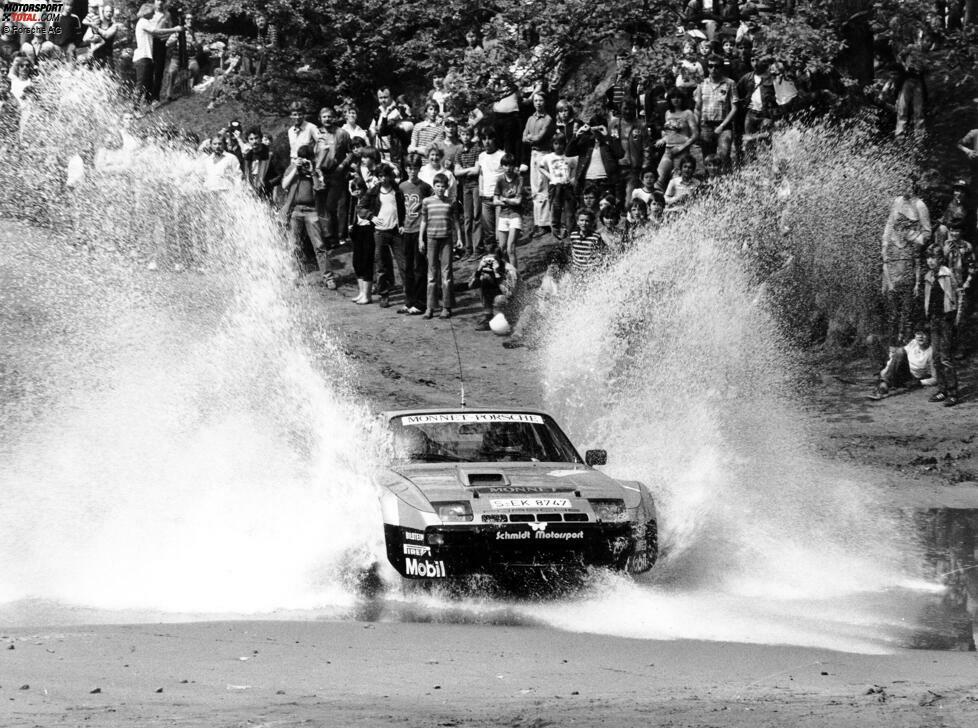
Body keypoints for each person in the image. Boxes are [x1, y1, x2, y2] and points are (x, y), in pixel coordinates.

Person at [280, 143, 338, 289]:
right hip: (295, 210)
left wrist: (312, 173)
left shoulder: (316, 171)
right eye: (301, 159)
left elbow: (320, 188)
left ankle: (328, 277)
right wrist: (295, 168)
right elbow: (284, 185)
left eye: (307, 159)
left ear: (311, 159)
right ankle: (293, 275)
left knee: (319, 245)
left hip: (312, 210)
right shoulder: (292, 168)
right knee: (293, 245)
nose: (304, 162)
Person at [882, 176, 931, 346]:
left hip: (911, 253)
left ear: (913, 186)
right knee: (892, 302)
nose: (904, 188)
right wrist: (885, 243)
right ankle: (892, 345)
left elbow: (927, 232)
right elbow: (890, 223)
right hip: (895, 252)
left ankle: (909, 344)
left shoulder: (920, 205)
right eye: (901, 184)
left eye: (907, 185)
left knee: (909, 306)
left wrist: (912, 239)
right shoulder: (897, 202)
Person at [358, 163, 405, 308]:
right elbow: (360, 208)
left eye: (385, 175)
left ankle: (410, 293)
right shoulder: (374, 191)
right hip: (380, 232)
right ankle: (384, 294)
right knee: (381, 265)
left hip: (396, 231)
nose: (383, 179)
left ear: (390, 176)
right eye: (380, 176)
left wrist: (403, 223)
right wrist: (371, 216)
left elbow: (404, 207)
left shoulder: (398, 190)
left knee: (403, 263)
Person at [921, 246, 959, 406]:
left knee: (945, 358)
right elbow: (927, 299)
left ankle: (953, 392)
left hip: (946, 320)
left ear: (940, 259)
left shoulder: (947, 274)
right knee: (936, 356)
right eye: (928, 258)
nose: (930, 261)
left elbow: (956, 294)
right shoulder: (928, 276)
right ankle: (942, 390)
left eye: (934, 258)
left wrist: (955, 316)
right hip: (934, 319)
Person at [396, 154, 431, 315]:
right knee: (407, 267)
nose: (412, 171)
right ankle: (409, 301)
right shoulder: (401, 186)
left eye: (415, 167)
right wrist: (401, 224)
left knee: (419, 267)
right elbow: (399, 208)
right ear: (405, 168)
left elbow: (430, 206)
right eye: (409, 167)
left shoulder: (425, 187)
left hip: (419, 231)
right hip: (407, 231)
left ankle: (420, 302)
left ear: (419, 168)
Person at [420, 173, 457, 318]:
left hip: (446, 240)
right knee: (431, 274)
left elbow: (455, 221)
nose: (440, 189)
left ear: (447, 187)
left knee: (446, 273)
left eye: (443, 186)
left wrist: (459, 238)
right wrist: (420, 239)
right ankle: (430, 307)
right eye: (438, 186)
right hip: (431, 239)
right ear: (434, 187)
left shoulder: (450, 201)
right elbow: (423, 221)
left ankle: (446, 306)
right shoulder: (427, 202)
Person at [315, 105, 353, 248]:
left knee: (334, 206)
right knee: (322, 207)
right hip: (320, 174)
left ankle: (337, 237)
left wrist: (343, 165)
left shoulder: (342, 133)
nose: (327, 119)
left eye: (330, 116)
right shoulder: (317, 133)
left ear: (334, 118)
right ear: (320, 119)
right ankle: (326, 237)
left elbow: (351, 152)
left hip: (337, 173)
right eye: (324, 117)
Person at [694, 53, 738, 169]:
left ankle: (726, 181)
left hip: (724, 125)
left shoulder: (730, 83)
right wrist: (696, 127)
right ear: (707, 68)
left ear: (721, 67)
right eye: (711, 66)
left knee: (724, 155)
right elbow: (698, 108)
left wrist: (722, 126)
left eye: (717, 66)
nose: (714, 69)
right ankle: (710, 183)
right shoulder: (702, 84)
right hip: (706, 125)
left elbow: (734, 108)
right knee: (708, 159)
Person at [567, 114, 624, 201]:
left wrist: (607, 137)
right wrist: (577, 135)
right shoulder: (586, 141)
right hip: (588, 181)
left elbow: (620, 154)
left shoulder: (608, 141)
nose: (597, 132)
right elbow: (568, 152)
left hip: (605, 182)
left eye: (599, 129)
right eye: (595, 130)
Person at [133, 3, 181, 106]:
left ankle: (146, 104)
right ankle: (133, 109)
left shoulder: (145, 22)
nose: (154, 15)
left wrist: (173, 33)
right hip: (142, 57)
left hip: (147, 57)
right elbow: (157, 31)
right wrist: (174, 29)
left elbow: (158, 34)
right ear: (146, 12)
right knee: (140, 85)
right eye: (152, 13)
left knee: (147, 83)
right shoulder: (143, 22)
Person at [523, 90, 555, 238]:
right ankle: (538, 222)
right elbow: (524, 137)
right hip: (533, 154)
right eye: (536, 101)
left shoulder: (548, 119)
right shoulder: (530, 119)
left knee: (543, 187)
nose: (538, 103)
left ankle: (545, 223)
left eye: (540, 100)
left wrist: (531, 137)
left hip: (544, 153)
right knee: (535, 188)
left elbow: (540, 138)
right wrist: (531, 137)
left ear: (545, 102)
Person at [655, 88, 698, 192]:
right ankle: (658, 204)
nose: (676, 99)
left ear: (683, 99)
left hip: (682, 152)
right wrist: (663, 140)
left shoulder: (688, 113)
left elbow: (695, 135)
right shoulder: (668, 113)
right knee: (658, 180)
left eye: (678, 97)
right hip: (668, 151)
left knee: (678, 181)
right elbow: (669, 133)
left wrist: (680, 148)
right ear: (669, 100)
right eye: (673, 97)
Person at [873, 329, 937, 398]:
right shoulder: (913, 343)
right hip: (901, 372)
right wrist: (886, 369)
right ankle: (884, 381)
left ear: (929, 336)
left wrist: (920, 382)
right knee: (872, 340)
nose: (920, 336)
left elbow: (935, 379)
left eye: (924, 334)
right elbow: (898, 356)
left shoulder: (931, 352)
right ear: (915, 335)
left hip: (912, 378)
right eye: (918, 333)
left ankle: (883, 387)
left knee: (900, 351)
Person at [471, 247, 519, 331]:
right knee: (484, 281)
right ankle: (488, 318)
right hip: (504, 293)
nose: (490, 262)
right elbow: (471, 286)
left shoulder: (510, 270)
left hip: (517, 301)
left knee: (499, 299)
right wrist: (478, 271)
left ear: (500, 259)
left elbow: (510, 293)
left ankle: (510, 320)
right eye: (488, 259)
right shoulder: (485, 267)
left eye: (493, 259)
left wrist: (497, 274)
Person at [539, 133, 577, 240]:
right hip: (555, 186)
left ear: (564, 144)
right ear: (552, 144)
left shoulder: (569, 157)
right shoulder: (548, 157)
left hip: (566, 185)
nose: (558, 146)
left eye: (561, 144)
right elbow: (540, 167)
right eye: (556, 143)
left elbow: (575, 168)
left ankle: (568, 230)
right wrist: (549, 176)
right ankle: (556, 230)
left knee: (569, 209)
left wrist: (572, 178)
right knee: (555, 208)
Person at [454, 124, 483, 258]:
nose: (465, 137)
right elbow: (456, 172)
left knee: (476, 215)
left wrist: (463, 171)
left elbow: (477, 170)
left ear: (471, 136)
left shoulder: (476, 149)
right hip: (465, 186)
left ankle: (477, 248)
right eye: (463, 134)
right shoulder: (459, 151)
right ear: (460, 136)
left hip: (476, 184)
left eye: (468, 135)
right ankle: (468, 248)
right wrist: (467, 170)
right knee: (467, 217)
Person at [494, 153, 524, 270]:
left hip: (515, 215)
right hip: (503, 215)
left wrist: (505, 199)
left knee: (511, 247)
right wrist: (507, 200)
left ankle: (515, 276)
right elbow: (495, 200)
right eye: (505, 165)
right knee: (502, 248)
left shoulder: (519, 179)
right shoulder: (500, 179)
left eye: (510, 165)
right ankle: (507, 272)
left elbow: (518, 201)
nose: (508, 168)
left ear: (514, 166)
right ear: (502, 166)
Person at [348, 175, 375, 304]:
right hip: (358, 230)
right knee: (357, 262)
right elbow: (350, 215)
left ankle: (367, 294)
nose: (357, 191)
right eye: (355, 189)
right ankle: (361, 292)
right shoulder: (353, 201)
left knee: (367, 261)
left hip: (368, 229)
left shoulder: (369, 200)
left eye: (359, 188)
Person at [477, 131, 504, 253]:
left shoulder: (501, 155)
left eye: (489, 138)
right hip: (486, 198)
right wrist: (481, 190)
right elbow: (481, 174)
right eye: (484, 139)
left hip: (498, 197)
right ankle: (490, 257)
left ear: (494, 139)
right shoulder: (481, 156)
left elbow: (507, 177)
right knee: (488, 231)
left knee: (500, 232)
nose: (486, 142)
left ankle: (502, 257)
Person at [369, 86, 404, 169]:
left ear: (391, 97)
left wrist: (378, 129)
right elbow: (371, 129)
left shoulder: (396, 111)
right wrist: (374, 130)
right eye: (380, 98)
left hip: (393, 153)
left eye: (385, 97)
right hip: (380, 152)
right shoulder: (378, 111)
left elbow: (384, 129)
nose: (383, 100)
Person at [566, 209, 606, 275]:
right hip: (577, 271)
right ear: (577, 222)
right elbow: (573, 252)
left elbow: (601, 254)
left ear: (592, 223)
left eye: (587, 221)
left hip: (590, 271)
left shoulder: (596, 237)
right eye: (581, 220)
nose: (584, 223)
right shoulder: (573, 235)